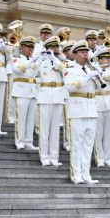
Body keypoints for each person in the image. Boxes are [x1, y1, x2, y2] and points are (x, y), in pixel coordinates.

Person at [63, 41, 101, 185]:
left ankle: (86, 174)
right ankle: (76, 174)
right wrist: (87, 78)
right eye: (82, 52)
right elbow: (70, 87)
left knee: (88, 145)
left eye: (87, 52)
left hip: (91, 109)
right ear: (75, 54)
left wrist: (98, 75)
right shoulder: (70, 69)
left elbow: (101, 89)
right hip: (77, 110)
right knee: (76, 144)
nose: (86, 54)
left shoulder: (90, 68)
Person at [31, 36, 65, 167]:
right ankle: (44, 156)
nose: (55, 49)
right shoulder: (41, 62)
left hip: (57, 96)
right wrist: (39, 59)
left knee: (55, 129)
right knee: (44, 129)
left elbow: (65, 70)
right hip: (45, 96)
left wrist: (55, 58)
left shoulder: (60, 61)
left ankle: (54, 156)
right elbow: (31, 74)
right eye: (52, 47)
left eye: (56, 47)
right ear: (47, 48)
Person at [9, 36, 39, 151]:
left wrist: (40, 59)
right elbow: (17, 70)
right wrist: (32, 61)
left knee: (30, 119)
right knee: (21, 118)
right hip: (21, 91)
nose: (30, 49)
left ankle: (28, 141)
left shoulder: (33, 60)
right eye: (28, 47)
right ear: (21, 48)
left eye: (32, 47)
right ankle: (20, 141)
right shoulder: (17, 59)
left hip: (32, 91)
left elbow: (37, 73)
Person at [96, 48, 110, 168]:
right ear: (99, 60)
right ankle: (99, 158)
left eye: (109, 58)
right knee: (98, 134)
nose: (108, 60)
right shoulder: (93, 71)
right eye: (105, 58)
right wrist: (98, 72)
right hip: (98, 103)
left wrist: (103, 73)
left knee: (109, 133)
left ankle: (107, 158)